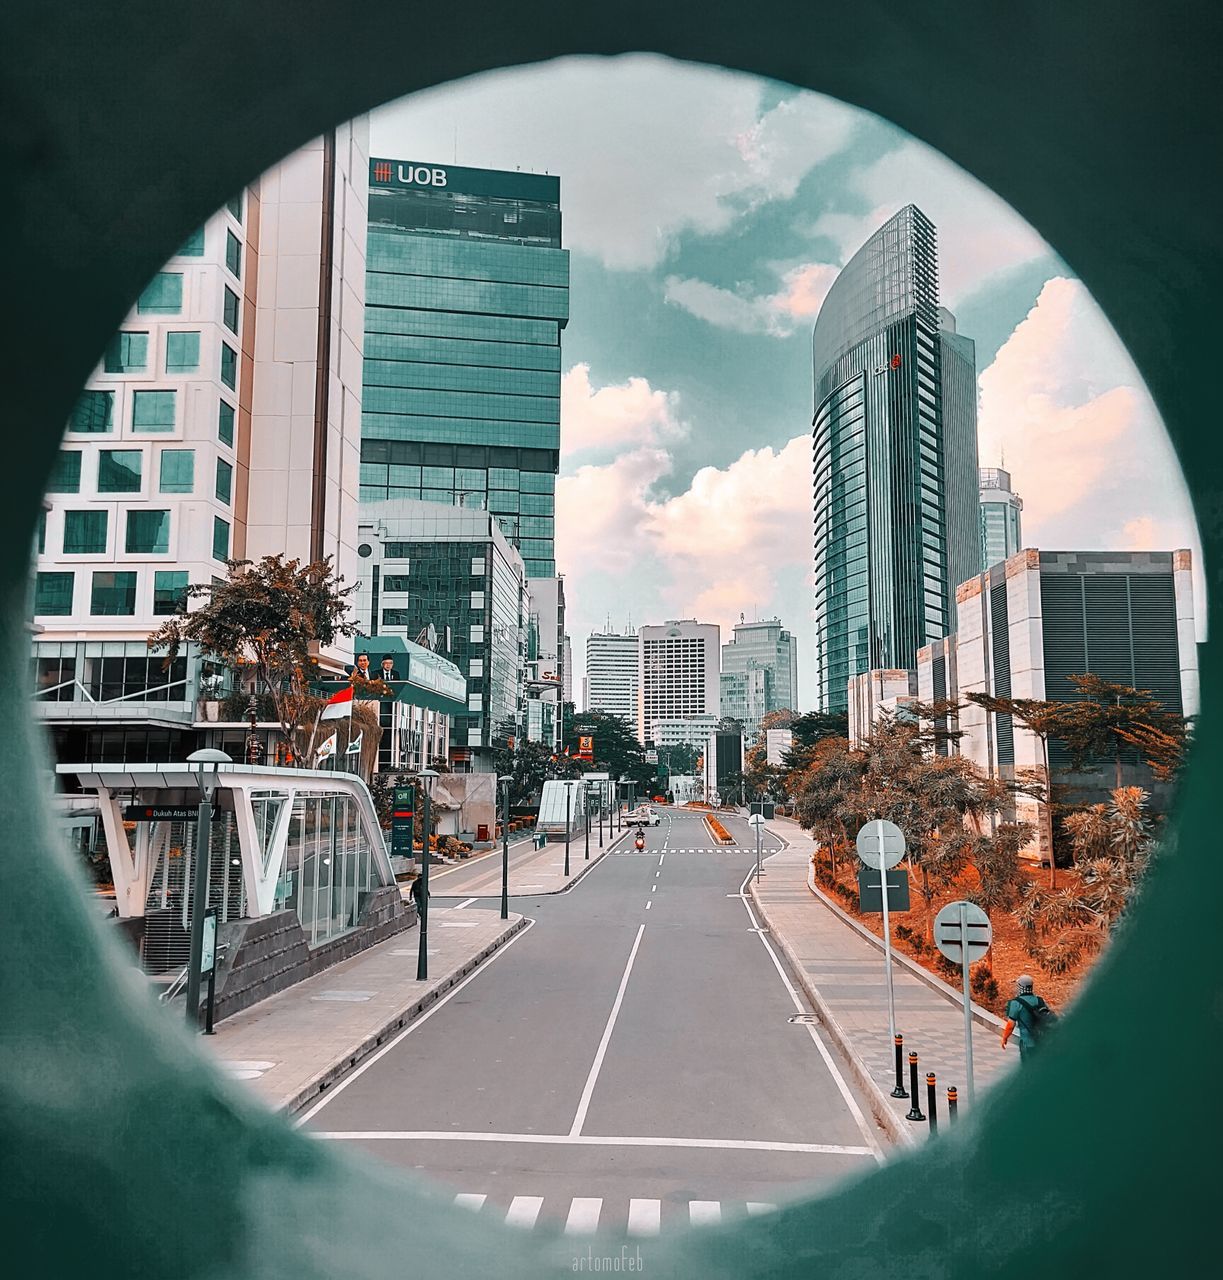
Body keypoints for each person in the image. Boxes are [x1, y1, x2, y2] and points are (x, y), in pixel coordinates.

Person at [1001, 974, 1058, 1062]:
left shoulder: (1015, 1003)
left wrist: (1005, 1038)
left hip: (1027, 1044)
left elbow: (1010, 1025)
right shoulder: (1040, 1000)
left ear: (1020, 987)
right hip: (1041, 1042)